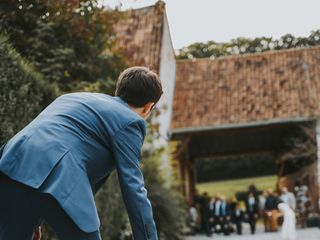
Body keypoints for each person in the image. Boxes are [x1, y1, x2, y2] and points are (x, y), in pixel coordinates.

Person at [0, 67, 162, 240]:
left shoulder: (69, 97)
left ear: (119, 90)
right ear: (148, 107)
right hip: (61, 180)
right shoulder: (131, 121)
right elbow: (133, 187)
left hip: (10, 166)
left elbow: (45, 149)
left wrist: (34, 219)